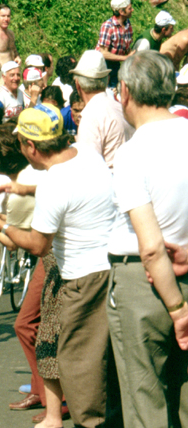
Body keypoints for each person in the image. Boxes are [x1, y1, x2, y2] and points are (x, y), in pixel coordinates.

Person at [0, 104, 116, 428]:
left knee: (79, 367)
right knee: (103, 360)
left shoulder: (54, 184)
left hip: (83, 277)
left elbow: (39, 245)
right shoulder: (85, 153)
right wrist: (19, 189)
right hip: (111, 266)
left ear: (31, 146)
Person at [107, 50, 188, 428]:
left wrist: (176, 308)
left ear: (124, 90)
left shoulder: (132, 153)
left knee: (146, 400)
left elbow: (152, 245)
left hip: (144, 283)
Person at [70, 50, 134, 169]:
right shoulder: (123, 109)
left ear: (77, 84)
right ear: (108, 79)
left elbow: (88, 169)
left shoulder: (90, 118)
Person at [96, 0, 134, 87]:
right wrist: (125, 58)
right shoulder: (108, 26)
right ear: (121, 12)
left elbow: (127, 46)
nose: (132, 10)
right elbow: (103, 53)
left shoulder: (127, 24)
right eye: (129, 8)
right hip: (103, 65)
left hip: (115, 64)